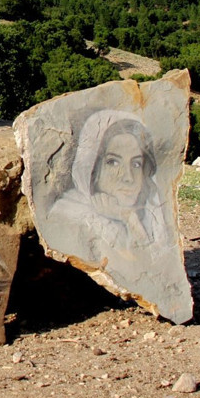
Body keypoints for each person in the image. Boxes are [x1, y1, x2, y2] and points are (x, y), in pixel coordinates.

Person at [46, 110, 170, 277]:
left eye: (136, 164)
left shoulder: (149, 213)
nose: (128, 177)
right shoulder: (68, 214)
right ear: (92, 166)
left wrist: (129, 219)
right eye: (113, 162)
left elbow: (158, 274)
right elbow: (131, 272)